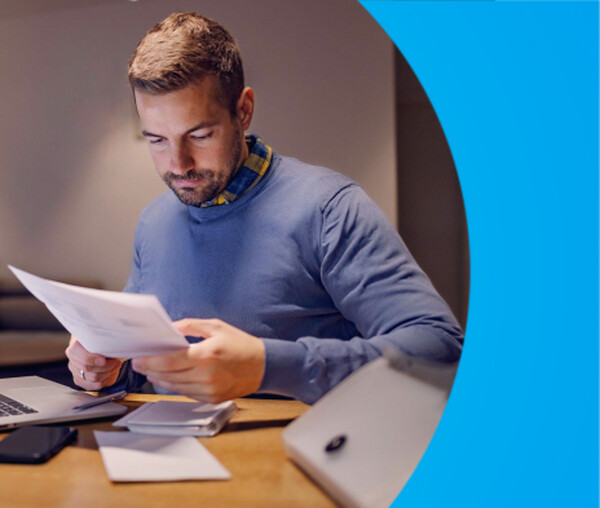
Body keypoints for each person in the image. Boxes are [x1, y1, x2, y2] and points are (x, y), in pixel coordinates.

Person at [65, 12, 463, 405]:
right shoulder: (153, 222)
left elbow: (438, 346)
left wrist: (267, 366)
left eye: (199, 135)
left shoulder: (329, 209)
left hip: (295, 461)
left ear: (243, 110)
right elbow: (143, 364)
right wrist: (106, 367)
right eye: (156, 140)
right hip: (165, 457)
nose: (178, 164)